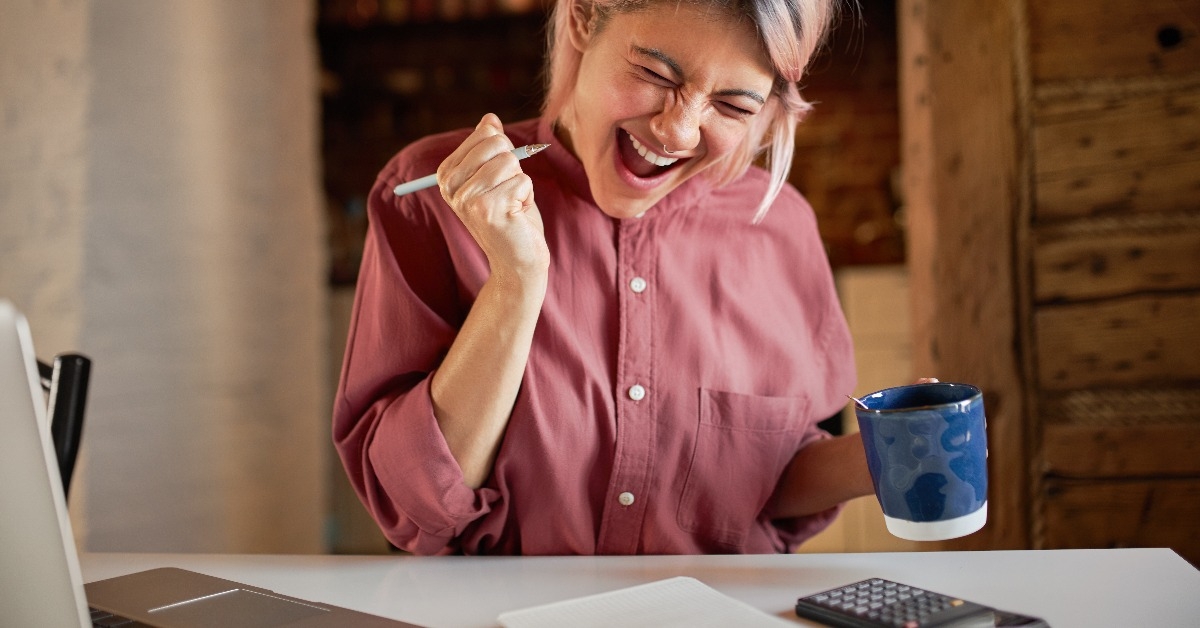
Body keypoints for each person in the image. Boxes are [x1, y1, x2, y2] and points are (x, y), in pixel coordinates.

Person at [334, 0, 874, 556]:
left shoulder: (781, 228)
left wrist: (895, 453)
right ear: (583, 19)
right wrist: (517, 282)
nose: (677, 132)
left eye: (733, 105)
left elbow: (764, 479)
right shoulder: (434, 196)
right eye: (655, 74)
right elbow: (412, 507)